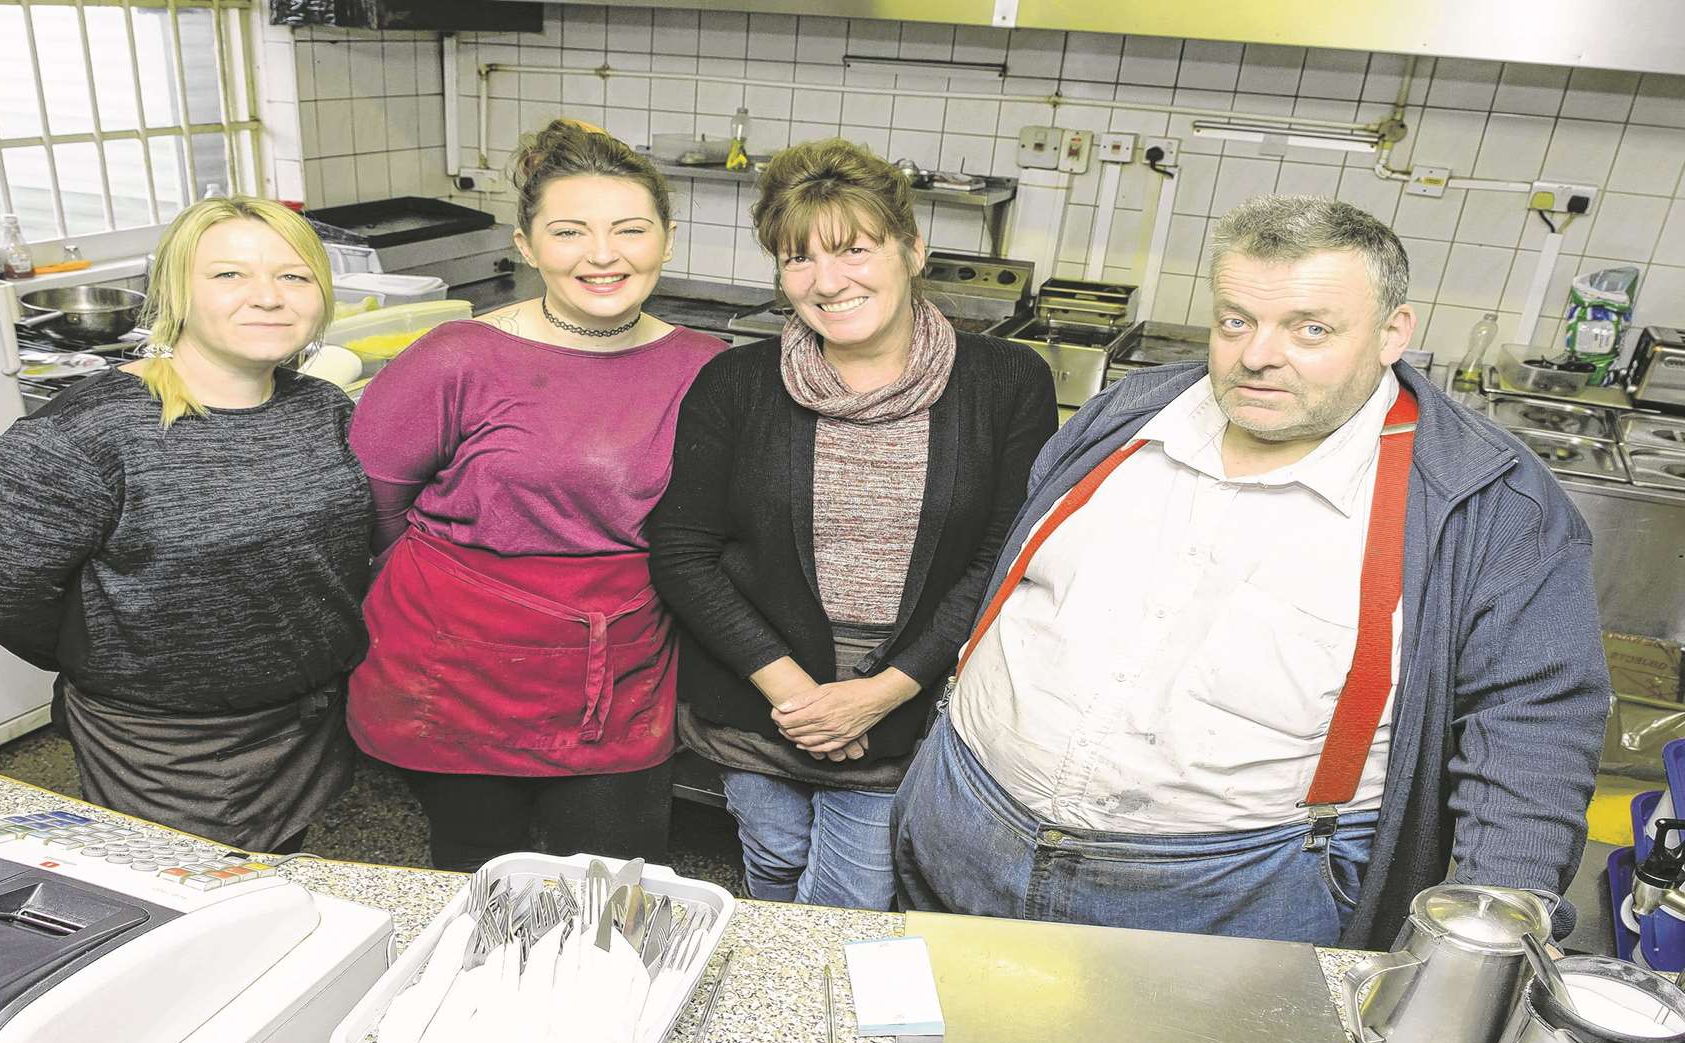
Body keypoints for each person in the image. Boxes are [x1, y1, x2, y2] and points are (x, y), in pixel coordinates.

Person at [892, 194, 1610, 947]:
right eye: (1236, 320)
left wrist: (1491, 922)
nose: (1258, 355)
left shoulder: (1490, 502)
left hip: (1230, 897)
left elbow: (1534, 720)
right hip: (962, 824)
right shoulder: (1132, 413)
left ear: (1394, 333)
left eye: (1311, 329)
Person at [648, 139, 1057, 910]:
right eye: (798, 260)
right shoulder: (736, 382)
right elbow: (682, 552)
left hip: (905, 711)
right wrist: (800, 696)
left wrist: (878, 694)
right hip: (759, 700)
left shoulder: (1005, 382)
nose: (826, 282)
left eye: (855, 250)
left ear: (912, 250)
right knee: (771, 859)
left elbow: (1004, 559)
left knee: (853, 895)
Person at [347, 120, 726, 873]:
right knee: (479, 875)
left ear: (668, 238)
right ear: (526, 245)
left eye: (629, 229)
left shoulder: (708, 368)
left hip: (617, 671)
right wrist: (472, 598)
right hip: (458, 673)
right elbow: (371, 505)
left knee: (620, 884)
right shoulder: (458, 358)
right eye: (569, 232)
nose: (603, 255)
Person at [0, 196, 372, 853]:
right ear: (176, 292)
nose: (269, 297)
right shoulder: (84, 434)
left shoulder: (322, 407)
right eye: (229, 275)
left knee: (281, 881)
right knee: (194, 903)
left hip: (306, 718)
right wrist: (119, 659)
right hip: (167, 744)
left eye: (294, 275)